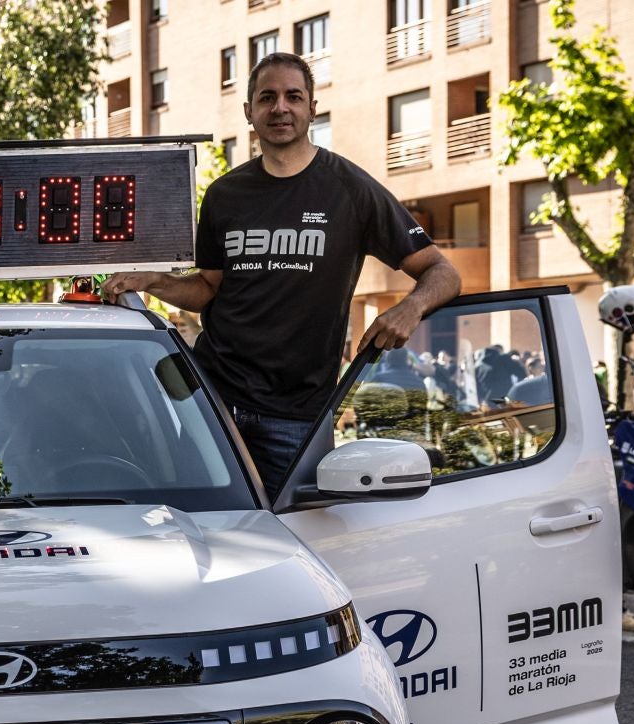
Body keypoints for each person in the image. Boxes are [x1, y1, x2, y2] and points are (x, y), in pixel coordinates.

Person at [104, 52, 460, 495]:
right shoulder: (224, 194)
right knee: (207, 531)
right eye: (267, 97)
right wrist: (154, 281)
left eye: (294, 96)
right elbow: (208, 290)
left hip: (295, 417)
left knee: (293, 537)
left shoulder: (350, 190)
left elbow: (441, 270)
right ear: (249, 112)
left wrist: (411, 308)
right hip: (212, 403)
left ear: (313, 107)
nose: (280, 108)